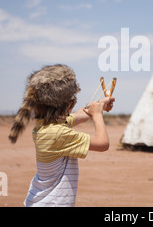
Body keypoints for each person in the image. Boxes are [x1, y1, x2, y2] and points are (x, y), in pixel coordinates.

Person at [8, 64, 114, 207]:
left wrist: (99, 105)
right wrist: (98, 115)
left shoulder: (46, 127)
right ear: (68, 104)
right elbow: (102, 144)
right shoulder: (58, 134)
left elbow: (79, 115)